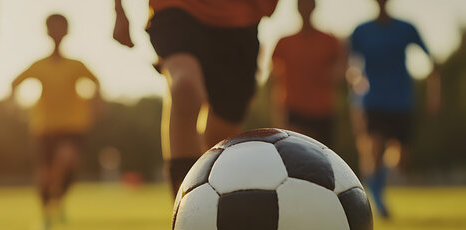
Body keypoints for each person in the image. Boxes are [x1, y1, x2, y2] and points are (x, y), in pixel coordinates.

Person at [113, 0, 279, 196]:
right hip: (176, 9)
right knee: (185, 87)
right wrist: (119, 10)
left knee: (221, 135)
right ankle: (184, 208)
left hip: (240, 20)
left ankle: (217, 207)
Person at [11, 14, 101, 230]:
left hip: (72, 126)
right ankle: (47, 216)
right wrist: (16, 109)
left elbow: (96, 84)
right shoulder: (39, 65)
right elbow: (15, 83)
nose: (57, 31)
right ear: (47, 31)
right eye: (53, 27)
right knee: (44, 174)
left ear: (67, 31)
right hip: (43, 127)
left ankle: (57, 199)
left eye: (61, 27)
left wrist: (95, 107)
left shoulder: (76, 65)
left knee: (68, 160)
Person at [349, 0, 440, 218]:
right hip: (373, 100)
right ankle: (378, 200)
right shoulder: (361, 31)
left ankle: (375, 176)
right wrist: (355, 93)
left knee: (402, 161)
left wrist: (434, 95)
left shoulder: (406, 28)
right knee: (376, 148)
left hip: (401, 101)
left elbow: (432, 62)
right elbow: (349, 65)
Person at [271, 0, 345, 146]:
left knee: (322, 162)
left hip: (323, 111)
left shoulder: (329, 40)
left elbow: (342, 69)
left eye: (309, 3)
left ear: (314, 7)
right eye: (302, 4)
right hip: (294, 110)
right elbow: (274, 79)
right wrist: (278, 115)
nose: (305, 7)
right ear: (297, 8)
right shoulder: (284, 42)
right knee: (295, 158)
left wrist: (329, 76)